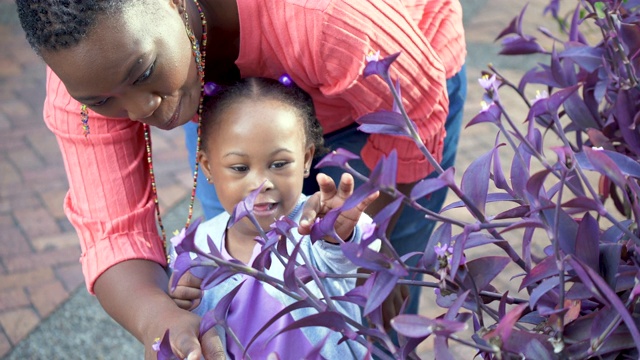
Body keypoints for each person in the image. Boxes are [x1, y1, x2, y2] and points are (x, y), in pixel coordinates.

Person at [16, 0, 466, 358]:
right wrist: (160, 320)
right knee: (236, 292)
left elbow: (414, 115)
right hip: (212, 92)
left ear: (174, 4)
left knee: (371, 314)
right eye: (102, 100)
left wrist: (368, 256)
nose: (139, 112)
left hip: (379, 98)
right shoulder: (95, 67)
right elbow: (112, 232)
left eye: (143, 73)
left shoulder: (328, 17)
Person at [169, 77, 379, 359]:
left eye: (279, 164)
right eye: (240, 167)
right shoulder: (197, 248)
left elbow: (355, 253)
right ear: (208, 167)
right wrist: (181, 304)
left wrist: (337, 232)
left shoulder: (315, 228)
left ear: (306, 160)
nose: (261, 183)